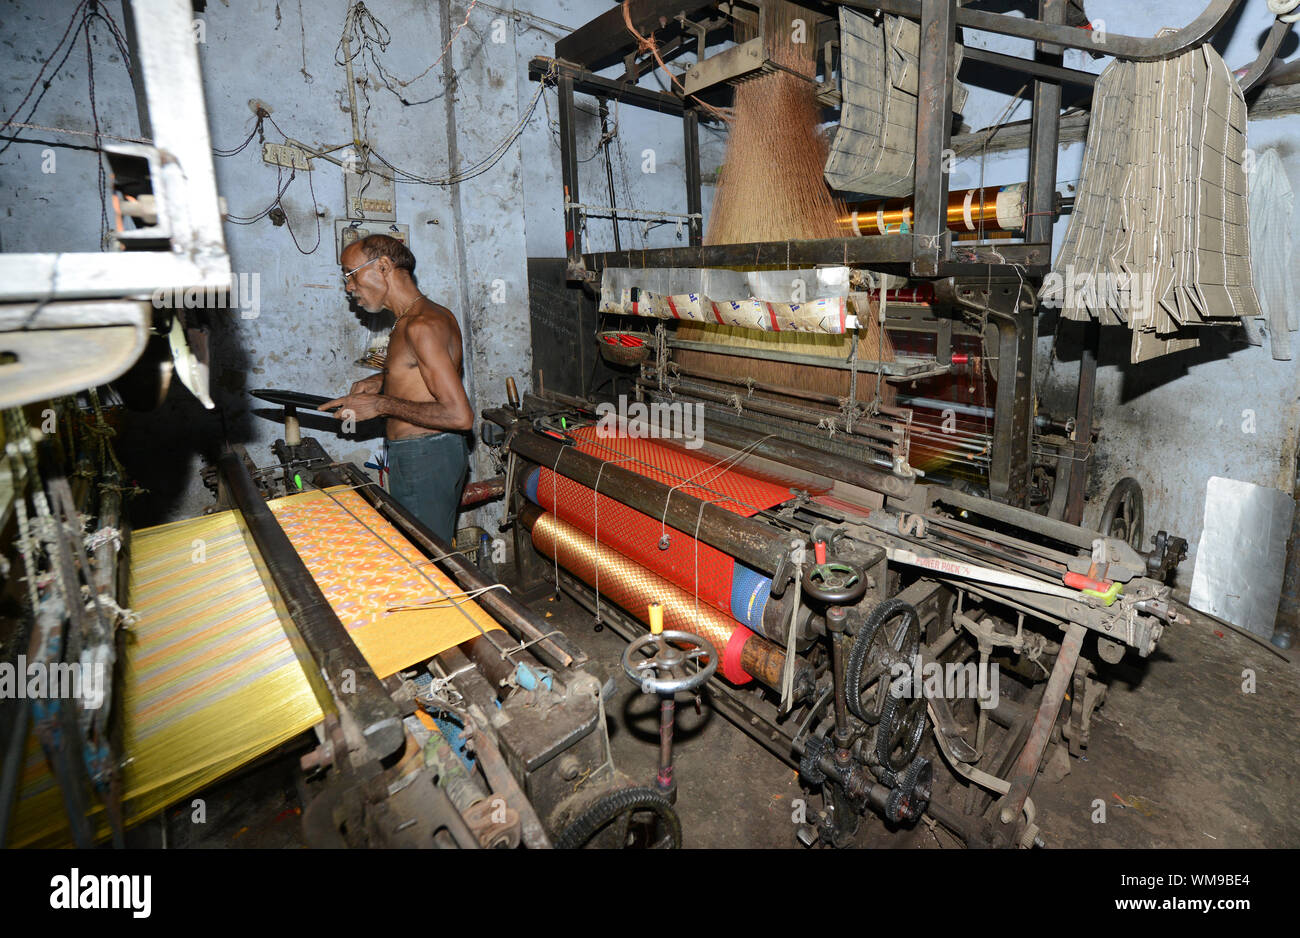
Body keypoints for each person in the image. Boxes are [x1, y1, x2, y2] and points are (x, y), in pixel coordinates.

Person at [321, 234, 473, 543]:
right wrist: (381, 382)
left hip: (425, 456)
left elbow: (460, 415)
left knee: (427, 558)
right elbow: (422, 377)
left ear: (383, 266)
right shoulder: (427, 315)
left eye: (351, 273)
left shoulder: (420, 325)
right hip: (429, 452)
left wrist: (381, 405)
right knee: (425, 547)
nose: (349, 286)